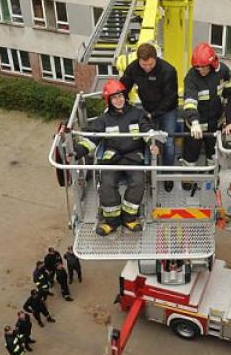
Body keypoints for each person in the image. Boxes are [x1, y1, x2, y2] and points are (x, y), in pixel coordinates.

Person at [73, 79, 159, 236]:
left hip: (133, 158)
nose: (118, 100)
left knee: (138, 183)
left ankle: (129, 219)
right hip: (112, 159)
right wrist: (75, 152)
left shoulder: (137, 114)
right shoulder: (103, 120)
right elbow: (91, 139)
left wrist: (153, 144)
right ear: (109, 100)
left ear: (125, 96)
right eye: (114, 98)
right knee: (106, 184)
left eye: (120, 96)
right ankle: (111, 222)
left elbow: (148, 130)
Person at [120, 42, 178, 191]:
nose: (146, 68)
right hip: (147, 108)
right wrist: (121, 102)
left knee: (169, 143)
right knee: (147, 140)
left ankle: (167, 175)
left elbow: (171, 98)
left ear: (155, 59)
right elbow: (123, 86)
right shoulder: (134, 68)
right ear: (139, 60)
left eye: (150, 65)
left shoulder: (168, 71)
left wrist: (154, 115)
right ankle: (148, 172)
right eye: (143, 64)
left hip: (167, 110)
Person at [183, 43, 231, 166]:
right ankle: (188, 180)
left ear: (211, 64)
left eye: (201, 67)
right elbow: (190, 101)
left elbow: (230, 94)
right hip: (196, 126)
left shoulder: (223, 71)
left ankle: (212, 178)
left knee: (214, 155)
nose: (198, 70)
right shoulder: (191, 77)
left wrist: (229, 117)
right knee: (190, 155)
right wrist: (194, 122)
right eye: (196, 67)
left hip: (216, 123)